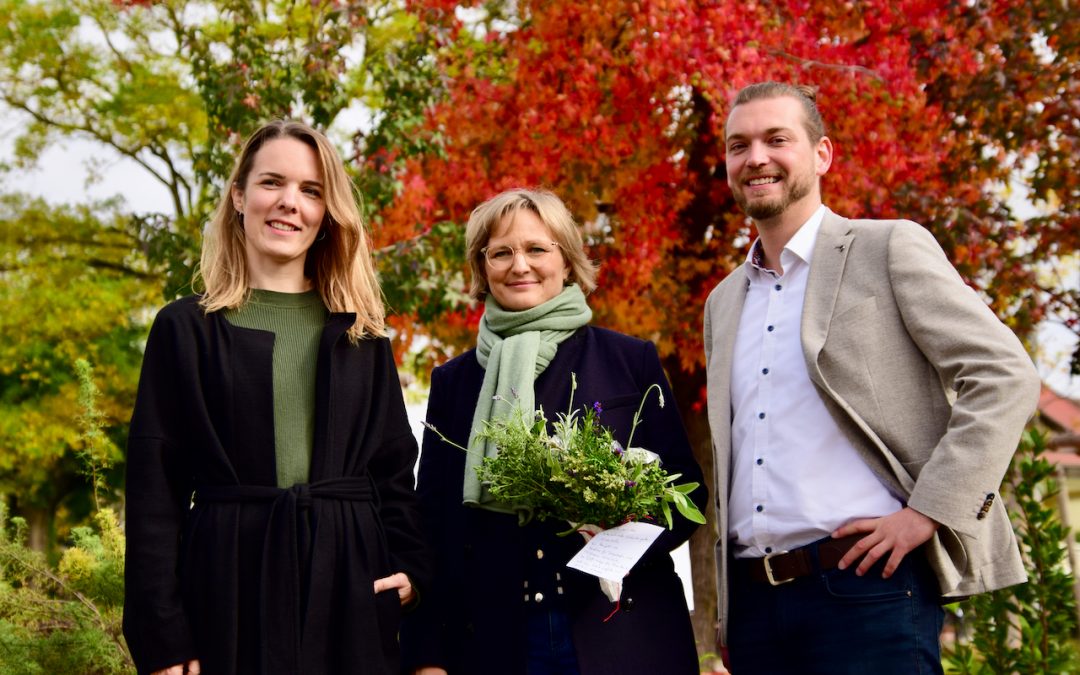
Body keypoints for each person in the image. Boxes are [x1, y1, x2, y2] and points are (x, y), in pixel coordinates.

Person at [703, 81, 1041, 674]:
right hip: (755, 607)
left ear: (822, 154)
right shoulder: (723, 301)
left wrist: (928, 511)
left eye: (776, 139)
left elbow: (1003, 374)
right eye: (739, 145)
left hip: (868, 590)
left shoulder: (888, 248)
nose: (755, 157)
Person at [123, 119, 429, 675]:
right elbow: (154, 495)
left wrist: (411, 569)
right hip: (227, 585)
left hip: (351, 591)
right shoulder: (185, 329)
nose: (290, 203)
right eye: (272, 183)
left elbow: (393, 476)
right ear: (239, 195)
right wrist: (162, 636)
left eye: (311, 191)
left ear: (327, 212)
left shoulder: (363, 336)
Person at [399, 188, 707, 675]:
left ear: (567, 261)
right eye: (501, 252)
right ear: (484, 269)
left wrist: (618, 529)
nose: (519, 264)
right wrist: (426, 656)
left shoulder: (630, 360)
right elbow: (431, 526)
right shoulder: (453, 383)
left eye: (536, 249)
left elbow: (687, 496)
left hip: (619, 633)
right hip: (497, 643)